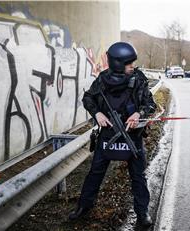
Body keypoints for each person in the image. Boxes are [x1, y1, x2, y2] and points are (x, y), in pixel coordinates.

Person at [68, 42, 156, 227]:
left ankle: (142, 212)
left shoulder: (138, 79)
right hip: (108, 136)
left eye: (133, 62)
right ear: (117, 63)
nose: (132, 65)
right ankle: (84, 206)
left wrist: (138, 114)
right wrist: (97, 113)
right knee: (95, 173)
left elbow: (150, 104)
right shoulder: (102, 79)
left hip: (132, 136)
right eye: (128, 63)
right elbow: (88, 97)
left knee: (138, 176)